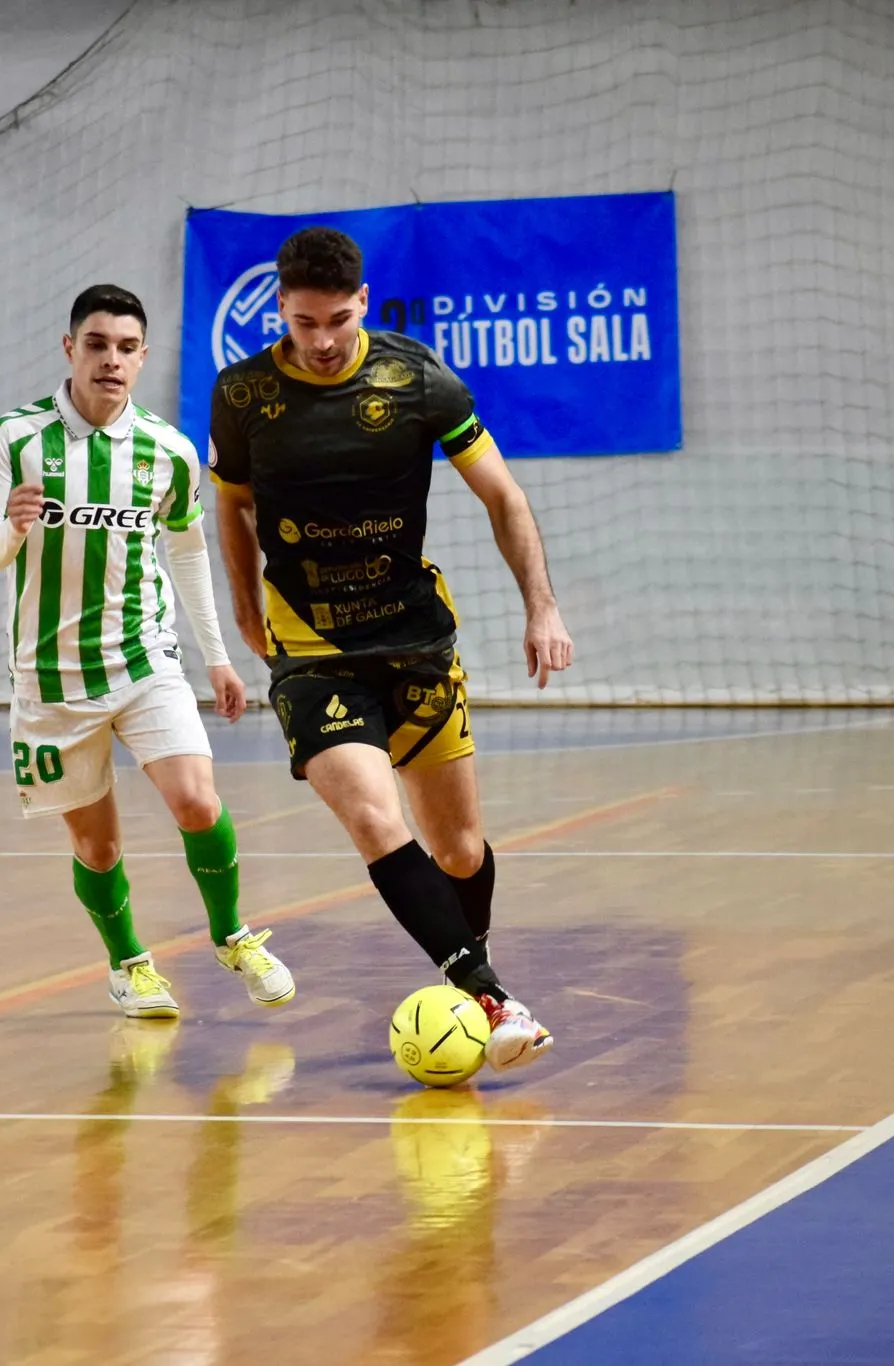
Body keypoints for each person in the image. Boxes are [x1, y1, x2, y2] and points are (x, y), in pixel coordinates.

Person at [208, 228, 575, 1071]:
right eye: (306, 324)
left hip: (415, 641)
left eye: (338, 319)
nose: (325, 340)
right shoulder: (243, 392)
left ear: (363, 303)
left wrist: (541, 606)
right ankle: (492, 995)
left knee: (459, 850)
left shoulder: (416, 376)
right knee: (374, 819)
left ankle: (464, 971)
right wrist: (243, 608)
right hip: (311, 651)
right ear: (282, 313)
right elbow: (228, 506)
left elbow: (504, 496)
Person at [0, 284, 294, 1019]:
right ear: (69, 349)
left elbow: (185, 553)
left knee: (197, 800)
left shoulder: (168, 451)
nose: (111, 360)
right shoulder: (16, 438)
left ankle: (233, 934)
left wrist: (215, 655)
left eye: (125, 348)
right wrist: (12, 532)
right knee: (99, 850)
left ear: (143, 358)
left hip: (147, 662)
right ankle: (129, 964)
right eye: (96, 344)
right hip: (50, 677)